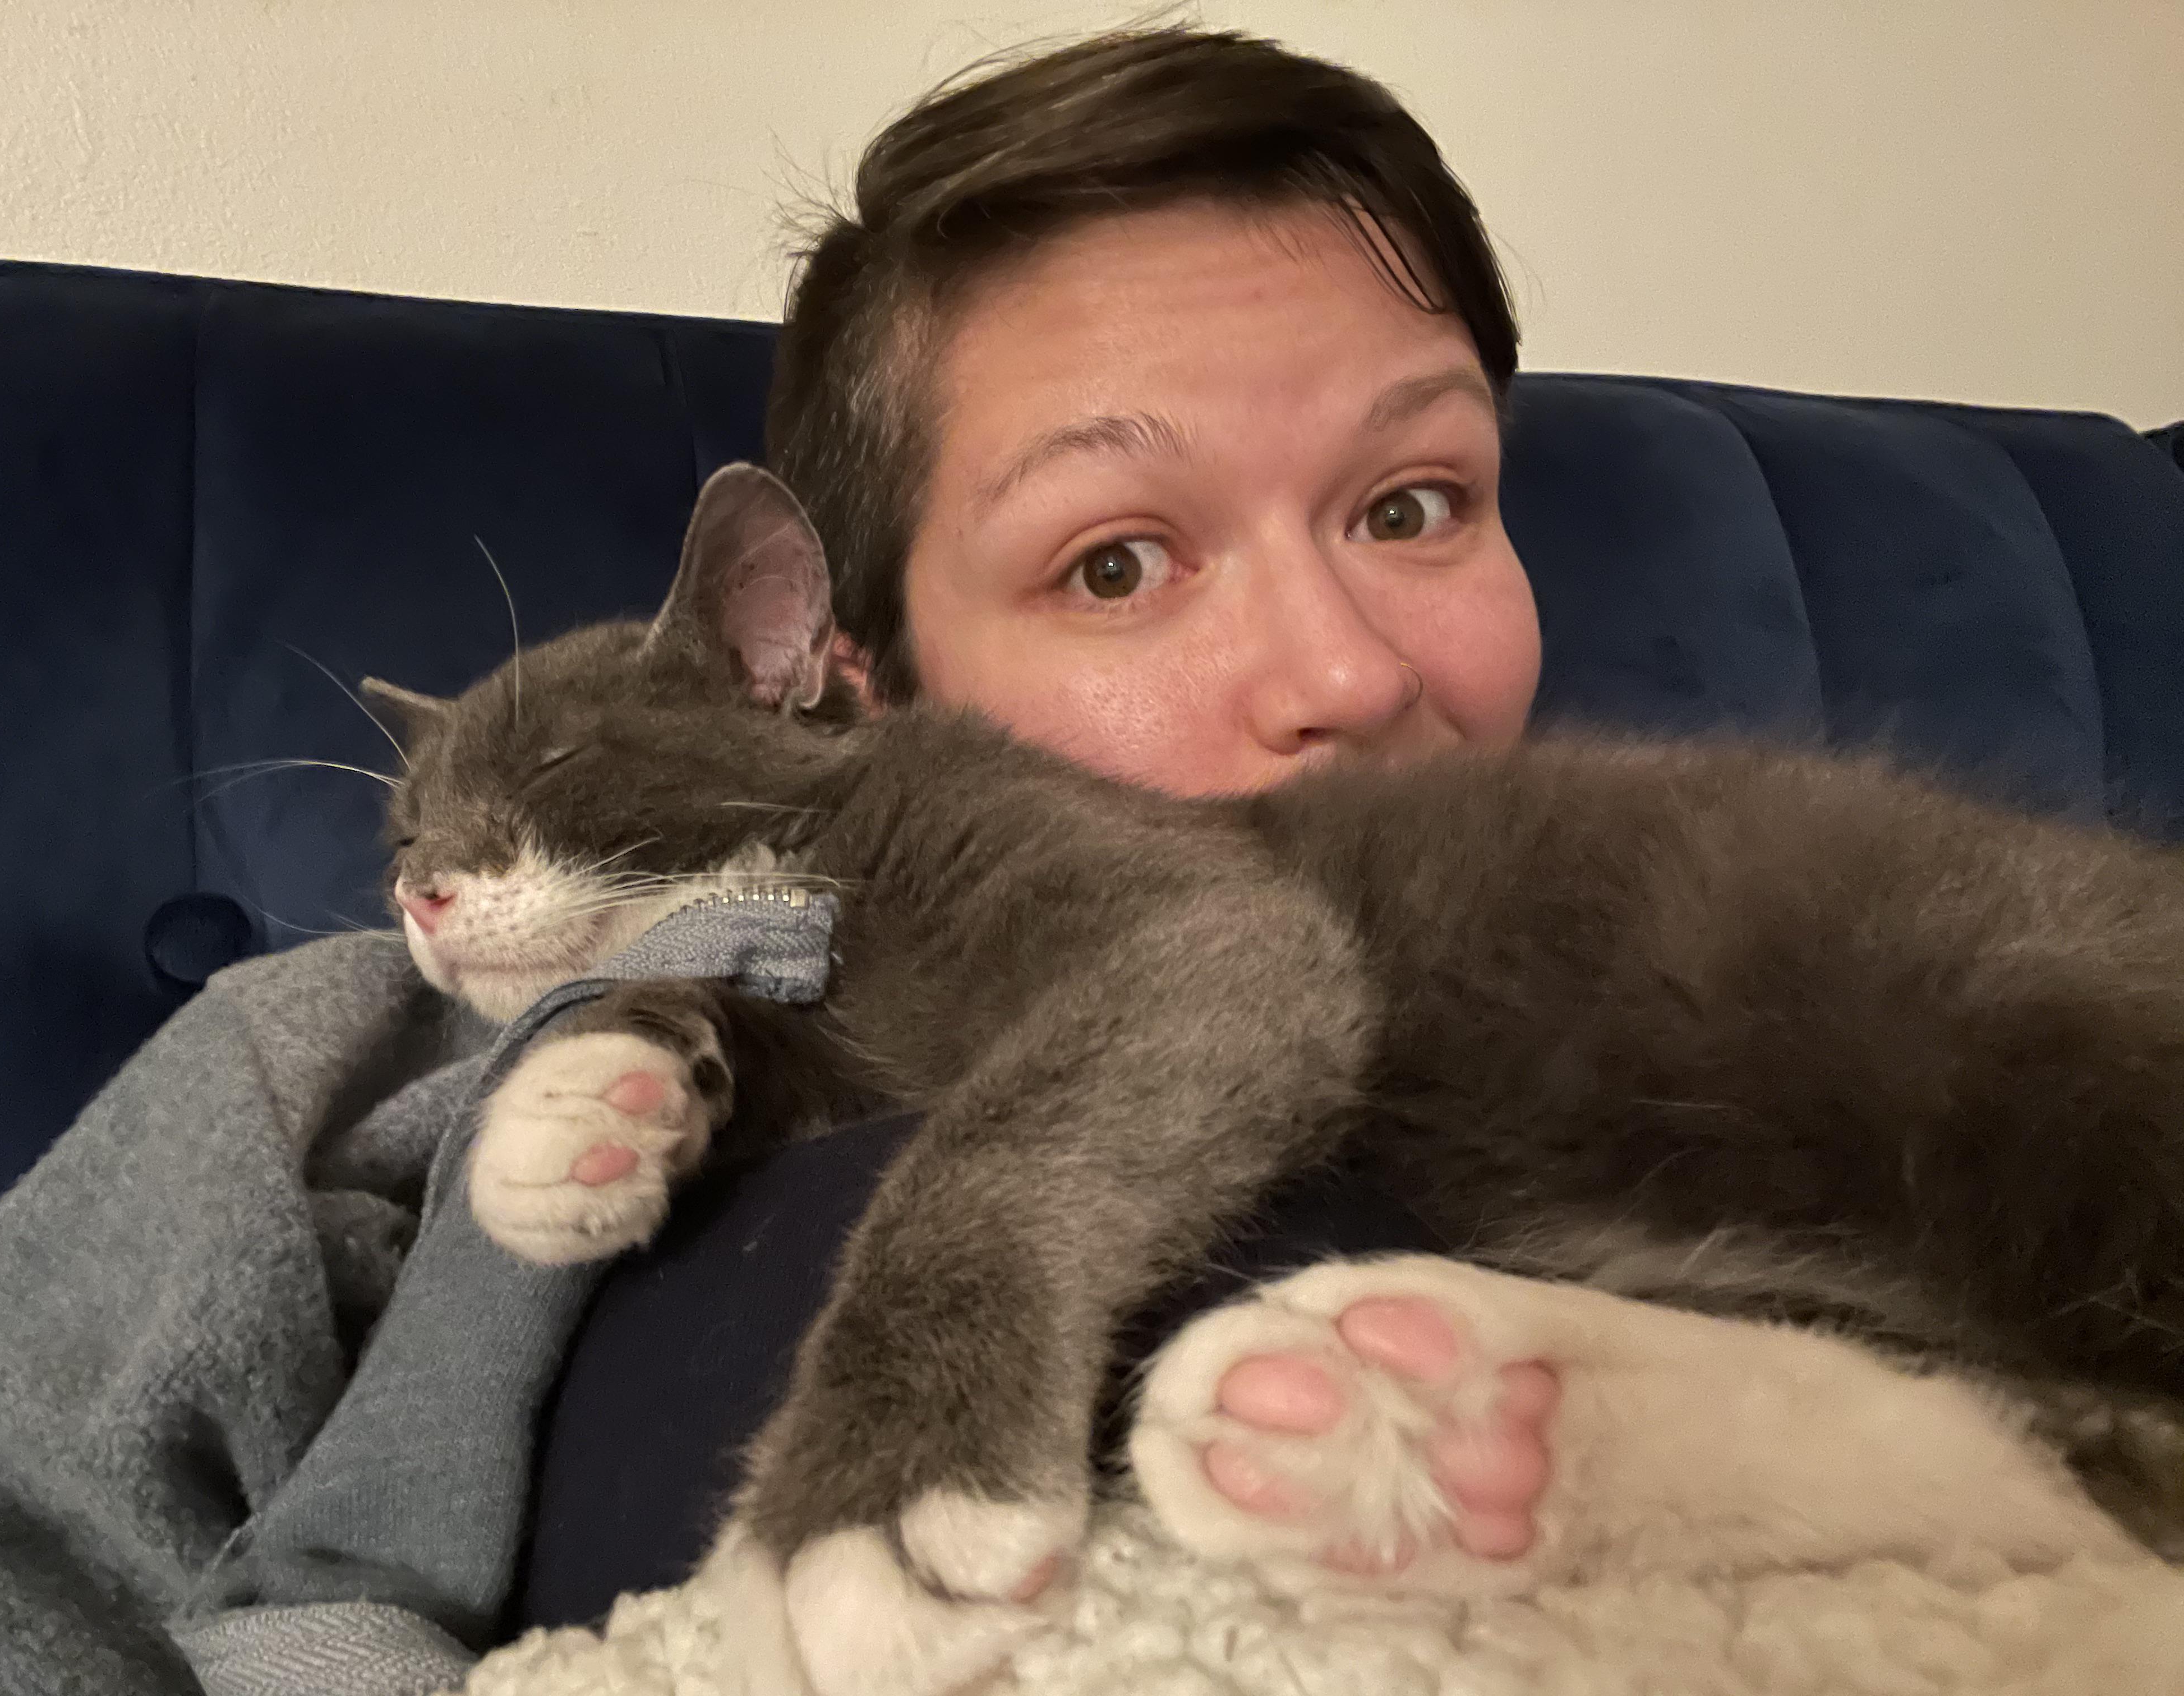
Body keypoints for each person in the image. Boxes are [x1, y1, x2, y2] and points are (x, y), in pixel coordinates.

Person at [528, 23, 1578, 1620]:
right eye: (1114, 564)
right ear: (869, 706)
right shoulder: (737, 1168)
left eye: (1411, 505)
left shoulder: (1760, 936)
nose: (1352, 676)